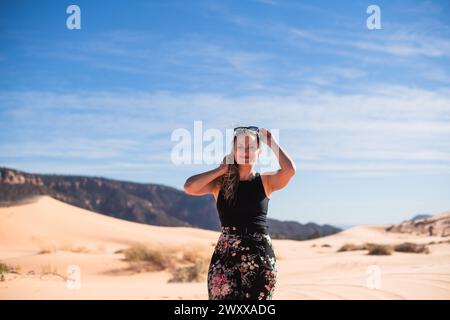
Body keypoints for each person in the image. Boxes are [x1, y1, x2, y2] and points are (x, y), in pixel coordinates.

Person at [184, 126, 296, 300]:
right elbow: (190, 187)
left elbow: (289, 171)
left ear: (259, 152)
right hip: (226, 256)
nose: (246, 152)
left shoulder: (265, 180)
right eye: (241, 148)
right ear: (233, 152)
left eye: (251, 147)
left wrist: (272, 143)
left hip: (259, 257)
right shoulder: (220, 183)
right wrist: (221, 169)